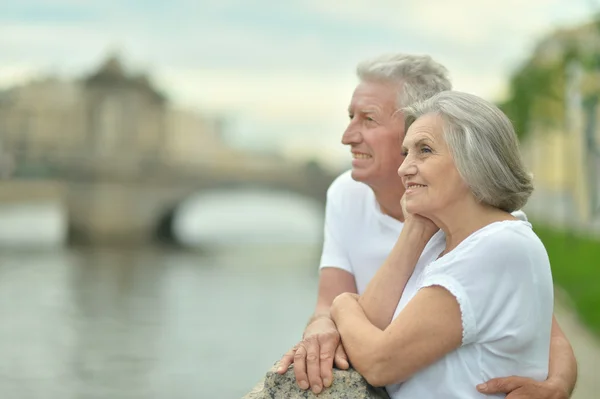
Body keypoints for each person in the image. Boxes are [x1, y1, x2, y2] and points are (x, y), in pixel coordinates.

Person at [277, 53, 578, 398]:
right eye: (350, 117)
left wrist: (558, 385)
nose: (347, 136)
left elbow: (377, 359)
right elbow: (337, 311)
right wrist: (416, 228)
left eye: (368, 120)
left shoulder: (488, 239)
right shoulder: (369, 204)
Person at [330, 90, 553, 398]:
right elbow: (370, 324)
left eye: (424, 150)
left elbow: (379, 362)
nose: (404, 168)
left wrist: (341, 303)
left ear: (473, 160)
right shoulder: (442, 241)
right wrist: (416, 228)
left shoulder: (499, 245)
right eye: (405, 153)